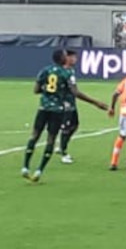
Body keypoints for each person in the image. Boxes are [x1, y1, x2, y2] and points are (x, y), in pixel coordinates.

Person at [22, 49, 107, 182]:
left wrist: (48, 92)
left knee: (34, 135)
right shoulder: (67, 73)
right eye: (66, 56)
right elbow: (75, 92)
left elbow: (36, 90)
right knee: (51, 139)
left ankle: (25, 167)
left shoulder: (45, 70)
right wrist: (95, 102)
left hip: (43, 108)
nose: (68, 57)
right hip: (57, 110)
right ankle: (39, 170)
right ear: (62, 58)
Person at [58, 50, 81, 164]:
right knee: (66, 127)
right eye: (73, 57)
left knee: (75, 125)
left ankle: (62, 145)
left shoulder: (71, 70)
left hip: (71, 103)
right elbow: (74, 91)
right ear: (68, 58)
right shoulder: (63, 71)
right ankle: (64, 153)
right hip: (65, 103)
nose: (75, 59)